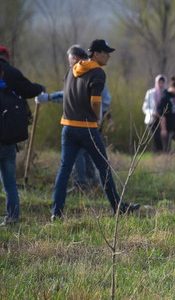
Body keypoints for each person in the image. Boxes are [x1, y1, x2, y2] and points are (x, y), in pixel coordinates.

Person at [50, 39, 140, 220]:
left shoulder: (71, 71)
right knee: (104, 168)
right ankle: (118, 207)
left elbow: (67, 97)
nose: (108, 57)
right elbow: (95, 101)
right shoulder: (97, 72)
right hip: (87, 129)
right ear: (96, 54)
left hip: (67, 127)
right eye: (106, 53)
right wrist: (98, 119)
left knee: (64, 170)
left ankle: (56, 213)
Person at [36, 45, 112, 191]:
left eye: (70, 60)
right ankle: (91, 182)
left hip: (87, 121)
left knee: (79, 153)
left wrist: (48, 97)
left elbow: (69, 96)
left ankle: (81, 184)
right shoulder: (89, 71)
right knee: (89, 152)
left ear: (76, 58)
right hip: (93, 120)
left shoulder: (85, 73)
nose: (69, 63)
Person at [0, 45, 44, 226]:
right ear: (6, 57)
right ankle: (12, 217)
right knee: (10, 182)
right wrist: (41, 87)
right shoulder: (11, 73)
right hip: (8, 139)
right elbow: (30, 90)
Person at [158, 76, 175, 153]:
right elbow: (161, 115)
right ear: (174, 87)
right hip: (167, 129)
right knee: (166, 150)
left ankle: (173, 156)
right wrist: (163, 129)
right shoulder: (165, 97)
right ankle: (167, 161)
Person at [142, 74, 166, 152]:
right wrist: (153, 113)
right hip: (151, 119)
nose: (161, 84)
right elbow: (145, 107)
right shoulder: (150, 93)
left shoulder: (165, 93)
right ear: (156, 82)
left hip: (161, 120)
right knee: (155, 137)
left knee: (161, 138)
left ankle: (158, 155)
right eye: (159, 82)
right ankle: (159, 153)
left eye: (162, 82)